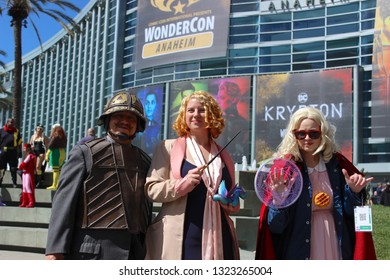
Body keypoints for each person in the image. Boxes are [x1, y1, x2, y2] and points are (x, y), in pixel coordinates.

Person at [255, 107, 375, 260]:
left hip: (335, 241)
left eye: (313, 133)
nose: (307, 138)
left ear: (322, 134)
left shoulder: (337, 165)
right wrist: (279, 198)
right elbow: (275, 226)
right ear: (293, 135)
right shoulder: (285, 169)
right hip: (299, 246)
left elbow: (351, 216)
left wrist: (354, 193)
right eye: (301, 134)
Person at [45, 91, 152, 260]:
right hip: (92, 252)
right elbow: (63, 203)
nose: (125, 121)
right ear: (107, 120)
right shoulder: (85, 153)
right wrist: (55, 250)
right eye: (119, 115)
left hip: (134, 251)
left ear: (138, 125)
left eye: (131, 118)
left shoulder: (145, 161)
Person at [144, 90, 240, 260]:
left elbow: (228, 193)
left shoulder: (224, 155)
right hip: (182, 239)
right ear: (184, 115)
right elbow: (151, 189)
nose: (196, 115)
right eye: (191, 110)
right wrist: (182, 184)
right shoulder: (167, 147)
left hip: (220, 237)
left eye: (202, 110)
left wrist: (231, 202)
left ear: (212, 115)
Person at [0, 118, 22, 188]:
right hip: (3, 152)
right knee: (2, 168)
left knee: (13, 168)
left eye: (13, 123)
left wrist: (20, 151)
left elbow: (19, 142)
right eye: (11, 122)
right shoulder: (1, 131)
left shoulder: (16, 131)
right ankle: (0, 181)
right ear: (7, 122)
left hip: (13, 152)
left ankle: (14, 182)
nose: (12, 124)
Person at [45, 124, 67, 191]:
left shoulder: (55, 136)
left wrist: (47, 155)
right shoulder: (64, 137)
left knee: (55, 170)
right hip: (63, 152)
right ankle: (59, 184)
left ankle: (54, 185)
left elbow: (51, 146)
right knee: (60, 170)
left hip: (55, 153)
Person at [141, 91, 161, 155]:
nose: (149, 106)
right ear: (144, 105)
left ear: (156, 105)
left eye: (152, 103)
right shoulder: (140, 125)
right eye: (147, 103)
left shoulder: (158, 126)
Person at [18, 143, 36, 208]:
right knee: (24, 188)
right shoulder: (28, 155)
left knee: (28, 187)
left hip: (28, 173)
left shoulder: (30, 156)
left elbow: (23, 163)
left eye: (25, 148)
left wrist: (20, 167)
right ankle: (24, 201)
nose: (24, 149)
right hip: (25, 173)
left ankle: (31, 202)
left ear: (28, 148)